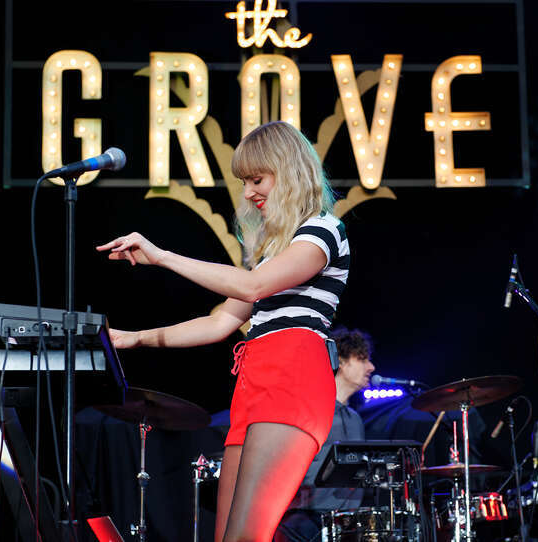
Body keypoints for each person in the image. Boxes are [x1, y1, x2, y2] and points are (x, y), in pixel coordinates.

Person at [96, 121, 349, 542]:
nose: (248, 192)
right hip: (254, 386)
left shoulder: (322, 230)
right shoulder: (272, 252)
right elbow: (220, 322)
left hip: (294, 382)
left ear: (287, 171)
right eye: (244, 182)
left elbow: (251, 287)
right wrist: (133, 338)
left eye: (256, 179)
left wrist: (162, 257)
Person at [274, 327, 375, 542]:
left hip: (346, 525)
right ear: (341, 361)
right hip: (305, 523)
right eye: (363, 359)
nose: (371, 367)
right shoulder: (308, 410)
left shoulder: (355, 419)